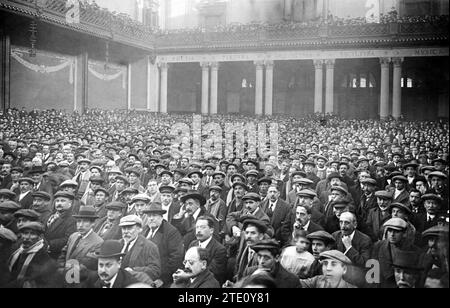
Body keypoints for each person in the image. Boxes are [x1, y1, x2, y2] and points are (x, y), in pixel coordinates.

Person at [142, 202, 184, 288]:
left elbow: (176, 258)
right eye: (149, 216)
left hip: (162, 278)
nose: (151, 219)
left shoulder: (171, 232)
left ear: (161, 217)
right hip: (144, 275)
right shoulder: (144, 230)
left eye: (154, 215)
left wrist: (162, 279)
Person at [371, 218, 422, 288]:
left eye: (396, 232)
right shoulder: (378, 246)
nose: (392, 234)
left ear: (404, 233)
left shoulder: (414, 251)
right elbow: (372, 273)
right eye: (390, 231)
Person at [7, 222, 60, 288]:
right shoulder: (17, 252)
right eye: (25, 233)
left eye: (32, 234)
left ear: (40, 237)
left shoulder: (43, 258)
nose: (27, 237)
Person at [60, 206, 103, 276]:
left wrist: (65, 273)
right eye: (78, 221)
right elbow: (63, 253)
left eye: (85, 221)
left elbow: (87, 265)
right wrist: (60, 267)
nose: (80, 225)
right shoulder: (73, 236)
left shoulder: (98, 242)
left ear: (93, 223)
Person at [118, 215, 161, 284]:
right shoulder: (117, 244)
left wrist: (133, 270)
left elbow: (155, 271)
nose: (126, 232)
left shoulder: (150, 246)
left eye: (129, 228)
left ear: (139, 229)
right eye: (123, 228)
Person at [45, 191, 77, 259]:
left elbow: (68, 239)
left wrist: (49, 244)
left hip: (57, 255)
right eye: (57, 201)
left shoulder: (72, 219)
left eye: (63, 201)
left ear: (70, 203)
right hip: (44, 251)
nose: (59, 203)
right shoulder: (50, 215)